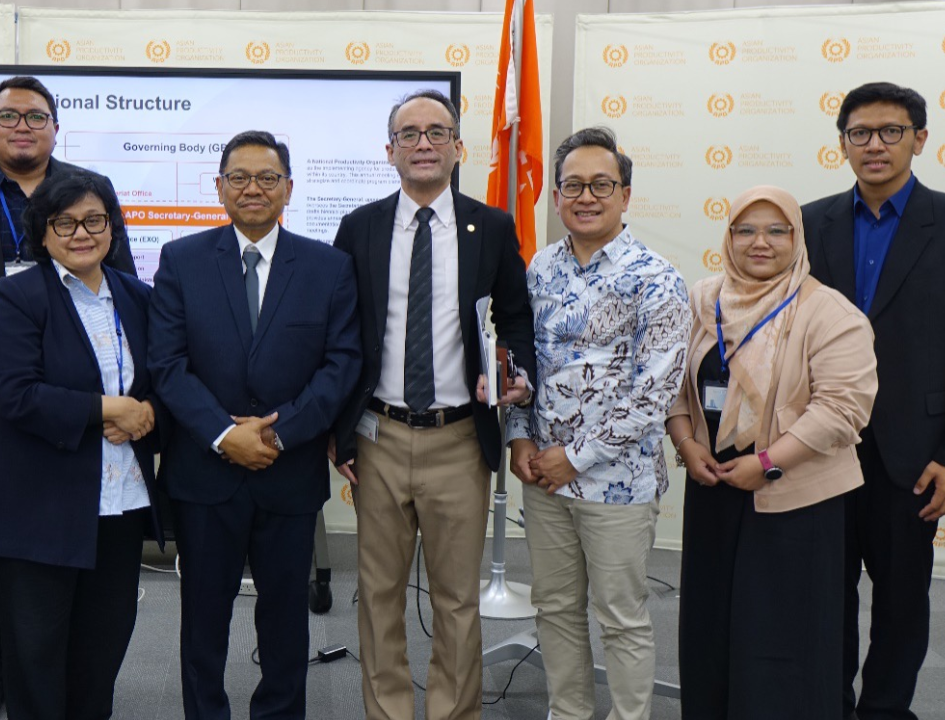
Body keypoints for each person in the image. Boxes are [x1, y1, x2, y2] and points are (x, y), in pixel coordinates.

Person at [0, 75, 136, 719]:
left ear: (55, 127)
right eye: (9, 115)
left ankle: (32, 673)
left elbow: (121, 284)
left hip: (70, 390)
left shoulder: (88, 191)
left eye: (36, 116)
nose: (23, 126)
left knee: (70, 589)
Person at [330, 90, 536, 720]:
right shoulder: (360, 227)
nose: (424, 143)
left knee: (456, 600)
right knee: (378, 595)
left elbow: (516, 317)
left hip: (459, 440)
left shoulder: (490, 227)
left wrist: (514, 372)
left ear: (458, 147)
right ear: (389, 150)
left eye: (437, 132)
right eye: (410, 134)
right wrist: (340, 432)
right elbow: (339, 334)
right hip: (380, 437)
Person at [149, 130, 360, 720]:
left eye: (267, 178)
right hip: (204, 474)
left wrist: (278, 432)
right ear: (219, 188)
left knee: (286, 617)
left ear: (288, 188)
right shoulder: (181, 260)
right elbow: (167, 364)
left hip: (287, 471)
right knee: (203, 618)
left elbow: (341, 364)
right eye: (239, 178)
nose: (253, 189)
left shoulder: (328, 267)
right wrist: (224, 435)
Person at [668, 185, 877, 719]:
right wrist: (687, 443)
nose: (760, 242)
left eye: (776, 231)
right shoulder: (702, 300)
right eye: (746, 230)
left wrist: (766, 463)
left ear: (796, 237)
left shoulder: (829, 312)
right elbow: (671, 384)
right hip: (714, 488)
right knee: (711, 630)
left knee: (782, 637)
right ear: (728, 237)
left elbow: (841, 409)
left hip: (795, 501)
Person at [504, 127, 690, 720]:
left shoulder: (657, 278)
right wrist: (519, 435)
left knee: (621, 617)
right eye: (573, 185)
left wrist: (575, 458)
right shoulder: (539, 269)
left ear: (625, 195)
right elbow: (523, 361)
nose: (586, 197)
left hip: (617, 483)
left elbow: (654, 392)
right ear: (557, 195)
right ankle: (569, 713)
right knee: (555, 609)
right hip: (543, 478)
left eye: (601, 185)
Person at [0, 170, 162, 720]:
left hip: (119, 504)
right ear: (43, 231)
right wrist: (106, 409)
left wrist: (148, 411)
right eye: (65, 223)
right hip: (40, 508)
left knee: (101, 653)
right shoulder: (18, 295)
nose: (82, 233)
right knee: (36, 659)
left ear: (112, 227)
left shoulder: (137, 296)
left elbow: (164, 380)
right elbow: (13, 392)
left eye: (94, 220)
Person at [802, 81, 945, 720]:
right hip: (819, 446)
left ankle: (886, 711)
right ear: (843, 144)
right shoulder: (809, 222)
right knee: (821, 598)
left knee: (901, 602)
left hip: (913, 453)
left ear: (921, 138)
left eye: (892, 131)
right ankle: (826, 706)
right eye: (860, 133)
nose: (875, 145)